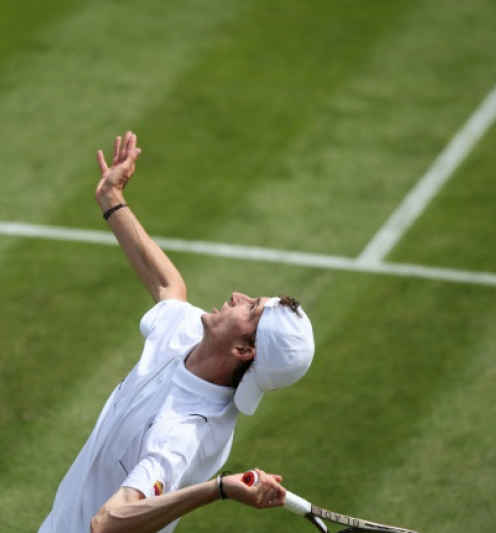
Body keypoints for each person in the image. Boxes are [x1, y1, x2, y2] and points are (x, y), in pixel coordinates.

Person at [38, 131, 315, 533]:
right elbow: (169, 287)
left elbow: (107, 524)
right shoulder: (188, 335)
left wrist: (217, 489)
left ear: (243, 350)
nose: (237, 295)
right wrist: (111, 197)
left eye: (250, 308)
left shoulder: (185, 432)